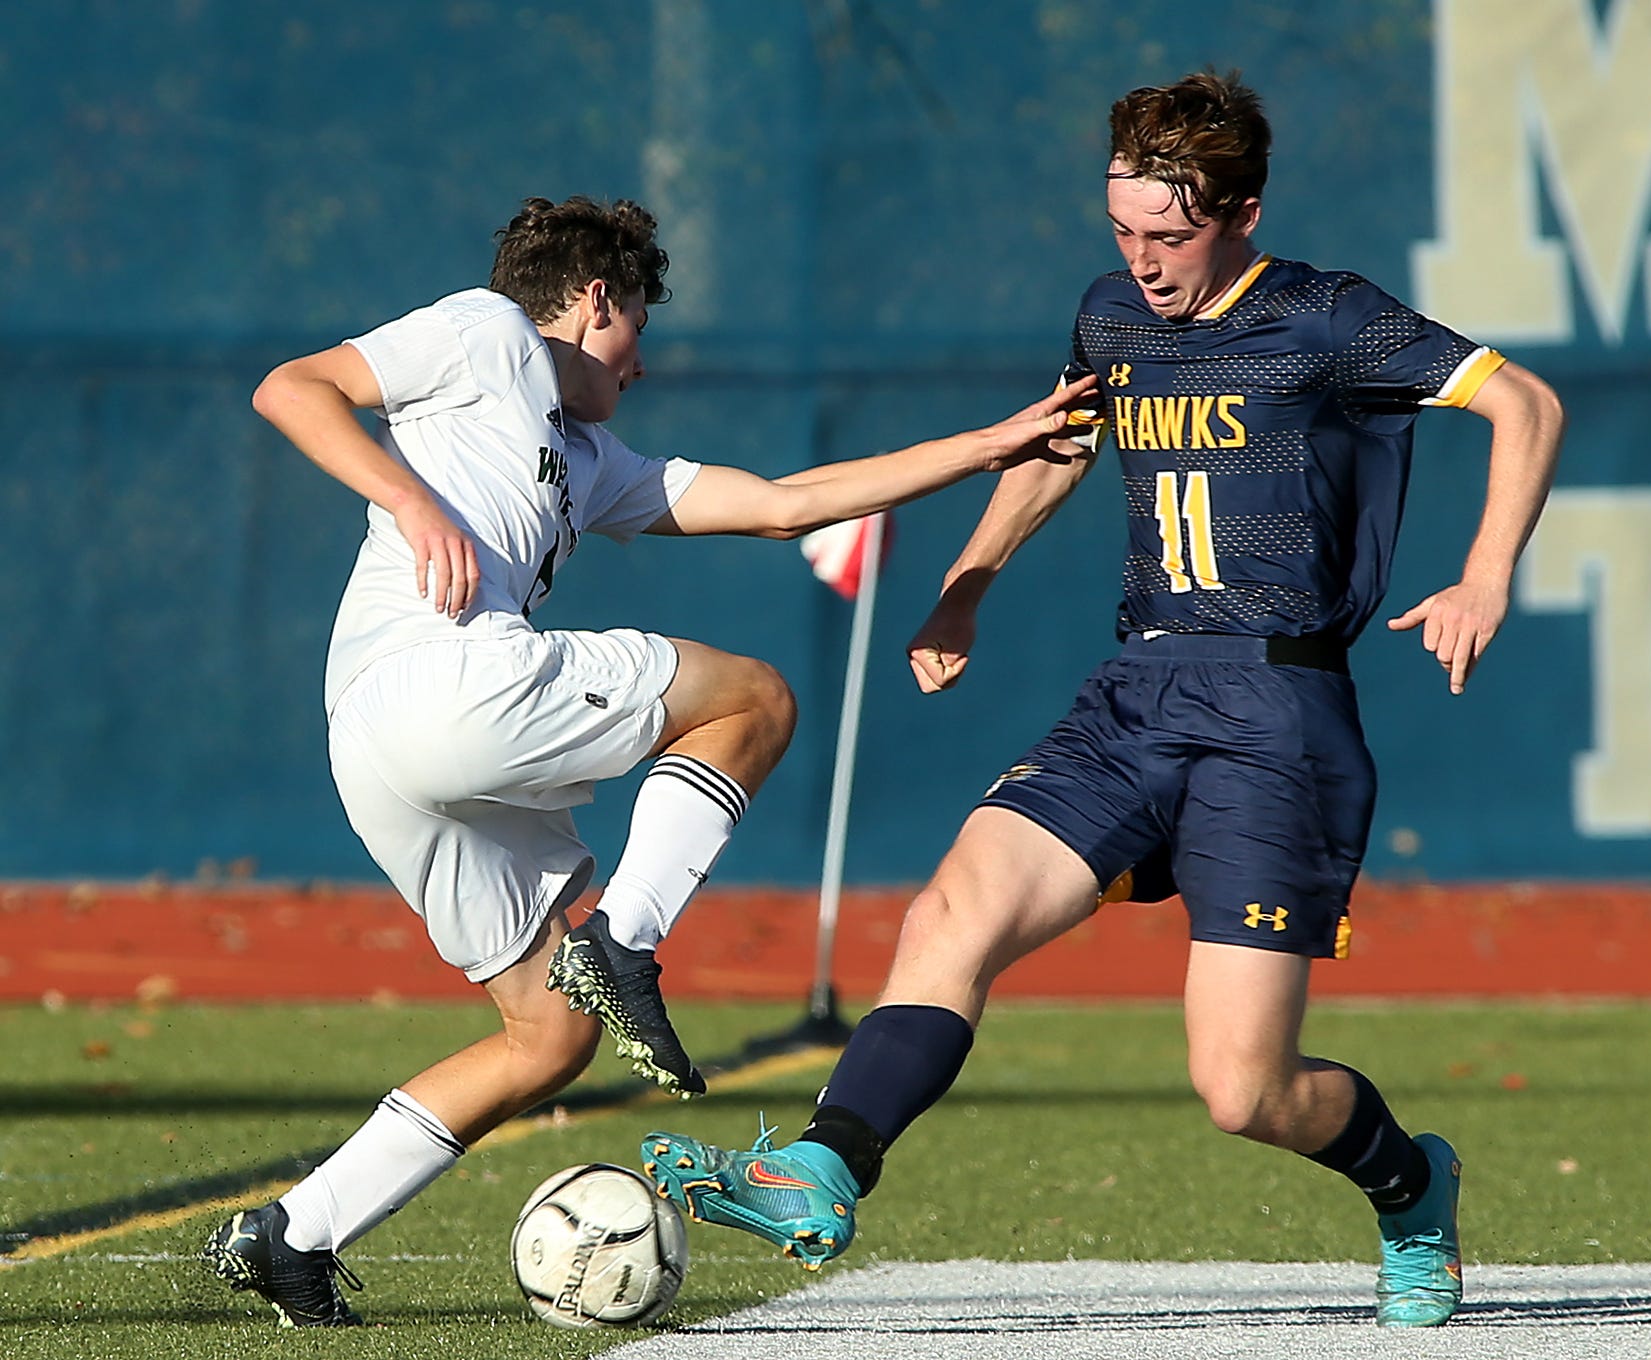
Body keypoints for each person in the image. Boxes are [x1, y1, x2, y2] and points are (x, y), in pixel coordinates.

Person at [642, 71, 1564, 1331]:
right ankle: (825, 1162)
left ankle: (1409, 1180)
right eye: (1122, 230)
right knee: (953, 907)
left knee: (1242, 1088)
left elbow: (1526, 400)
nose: (1140, 261)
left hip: (1276, 716)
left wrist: (1482, 573)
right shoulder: (1109, 313)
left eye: (1168, 236)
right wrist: (964, 587)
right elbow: (1063, 443)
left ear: (1241, 209)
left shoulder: (1325, 317)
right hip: (1135, 689)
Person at [199, 194, 1095, 1328]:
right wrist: (408, 500)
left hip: (382, 746)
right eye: (636, 334)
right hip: (440, 683)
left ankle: (294, 1233)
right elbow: (292, 386)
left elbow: (783, 506)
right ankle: (623, 943)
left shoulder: (587, 459)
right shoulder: (489, 332)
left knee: (548, 1037)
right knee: (755, 699)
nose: (639, 364)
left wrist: (989, 445)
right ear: (594, 299)